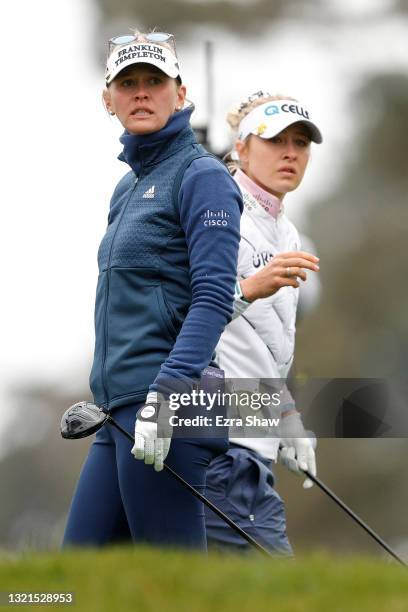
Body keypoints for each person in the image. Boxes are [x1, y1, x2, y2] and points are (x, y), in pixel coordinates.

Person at [62, 31, 243, 550]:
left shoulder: (202, 175)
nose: (141, 92)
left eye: (155, 81)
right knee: (74, 581)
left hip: (168, 402)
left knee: (174, 591)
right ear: (108, 99)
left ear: (180, 94)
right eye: (128, 82)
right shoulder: (125, 189)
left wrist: (166, 396)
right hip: (118, 410)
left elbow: (213, 297)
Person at [204, 91, 323, 554]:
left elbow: (264, 346)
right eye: (275, 140)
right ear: (241, 148)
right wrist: (249, 287)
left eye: (301, 142)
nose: (290, 152)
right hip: (216, 438)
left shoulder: (287, 230)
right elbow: (186, 317)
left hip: (254, 442)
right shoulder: (219, 211)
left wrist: (288, 418)